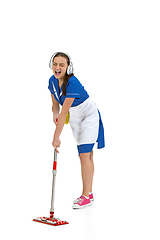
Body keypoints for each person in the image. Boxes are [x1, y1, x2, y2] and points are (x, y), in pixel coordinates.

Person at [48, 52, 104, 209]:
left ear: (68, 67)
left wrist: (56, 137)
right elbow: (55, 104)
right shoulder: (52, 82)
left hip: (88, 115)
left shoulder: (72, 83)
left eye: (61, 65)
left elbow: (65, 110)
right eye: (55, 64)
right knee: (85, 154)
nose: (57, 67)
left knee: (85, 154)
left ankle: (86, 196)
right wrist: (55, 113)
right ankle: (90, 194)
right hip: (75, 116)